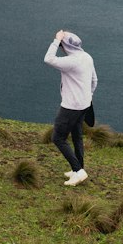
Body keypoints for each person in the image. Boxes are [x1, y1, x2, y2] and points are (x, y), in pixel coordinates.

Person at [44, 28, 97, 186]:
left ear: (65, 46)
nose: (61, 48)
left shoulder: (71, 61)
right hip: (84, 104)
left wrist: (56, 39)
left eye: (61, 45)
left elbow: (48, 59)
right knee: (76, 136)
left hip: (71, 106)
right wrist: (88, 96)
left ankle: (79, 171)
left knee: (58, 137)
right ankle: (78, 169)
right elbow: (94, 81)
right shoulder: (87, 57)